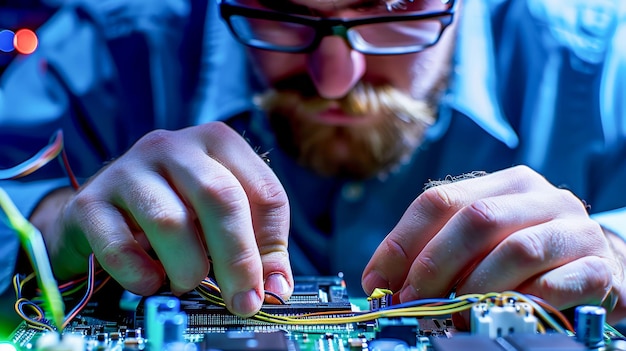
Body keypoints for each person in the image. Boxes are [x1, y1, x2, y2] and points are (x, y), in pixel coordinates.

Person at [1, 0, 626, 335]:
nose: (335, 80)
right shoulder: (113, 40)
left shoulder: (600, 58)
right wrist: (53, 230)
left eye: (391, 6)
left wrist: (616, 256)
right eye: (281, 8)